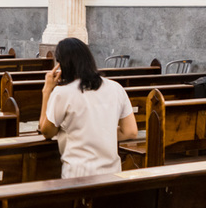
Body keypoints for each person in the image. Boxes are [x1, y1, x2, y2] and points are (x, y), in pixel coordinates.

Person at [39, 38, 137, 178]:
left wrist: (47, 91)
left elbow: (47, 131)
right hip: (112, 174)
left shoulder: (63, 93)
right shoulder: (116, 88)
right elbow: (130, 131)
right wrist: (101, 133)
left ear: (62, 65)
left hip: (78, 175)